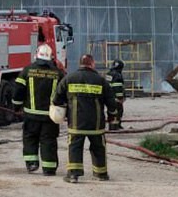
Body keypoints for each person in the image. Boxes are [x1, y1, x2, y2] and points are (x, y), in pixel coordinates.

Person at [51, 54, 118, 183]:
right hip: (96, 124)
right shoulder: (101, 80)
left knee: (75, 147)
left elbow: (56, 99)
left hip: (76, 123)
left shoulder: (69, 78)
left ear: (80, 64)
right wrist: (112, 116)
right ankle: (101, 174)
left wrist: (63, 111)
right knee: (98, 147)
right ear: (92, 64)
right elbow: (111, 103)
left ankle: (73, 175)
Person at [12, 44, 66, 175]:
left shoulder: (27, 70)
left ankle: (32, 164)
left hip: (31, 115)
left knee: (30, 138)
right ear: (51, 57)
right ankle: (49, 168)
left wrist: (16, 106)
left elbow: (18, 90)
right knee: (49, 141)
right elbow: (64, 93)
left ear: (36, 55)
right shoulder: (58, 73)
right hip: (51, 116)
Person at [105, 59, 126, 130]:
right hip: (116, 98)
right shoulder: (118, 75)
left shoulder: (108, 73)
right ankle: (116, 126)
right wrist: (120, 98)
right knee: (118, 111)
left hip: (108, 97)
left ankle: (112, 125)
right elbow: (118, 87)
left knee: (111, 111)